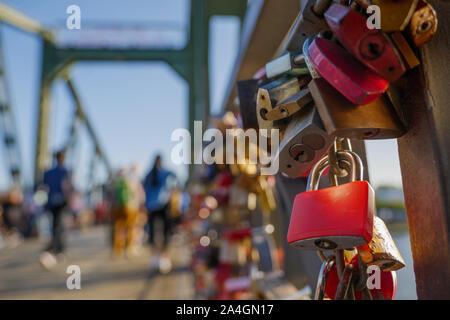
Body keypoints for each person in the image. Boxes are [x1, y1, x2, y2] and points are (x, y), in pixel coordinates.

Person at [143, 155, 177, 271]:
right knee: (166, 231)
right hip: (164, 205)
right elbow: (173, 185)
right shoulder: (166, 173)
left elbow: (145, 190)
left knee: (152, 231)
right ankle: (164, 256)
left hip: (151, 206)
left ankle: (154, 257)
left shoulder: (148, 175)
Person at [40, 151, 73, 266]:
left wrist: (43, 204)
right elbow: (68, 188)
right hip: (62, 202)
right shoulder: (66, 171)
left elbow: (42, 188)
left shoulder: (48, 173)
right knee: (61, 226)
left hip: (51, 203)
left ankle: (54, 248)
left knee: (54, 225)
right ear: (63, 158)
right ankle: (59, 250)